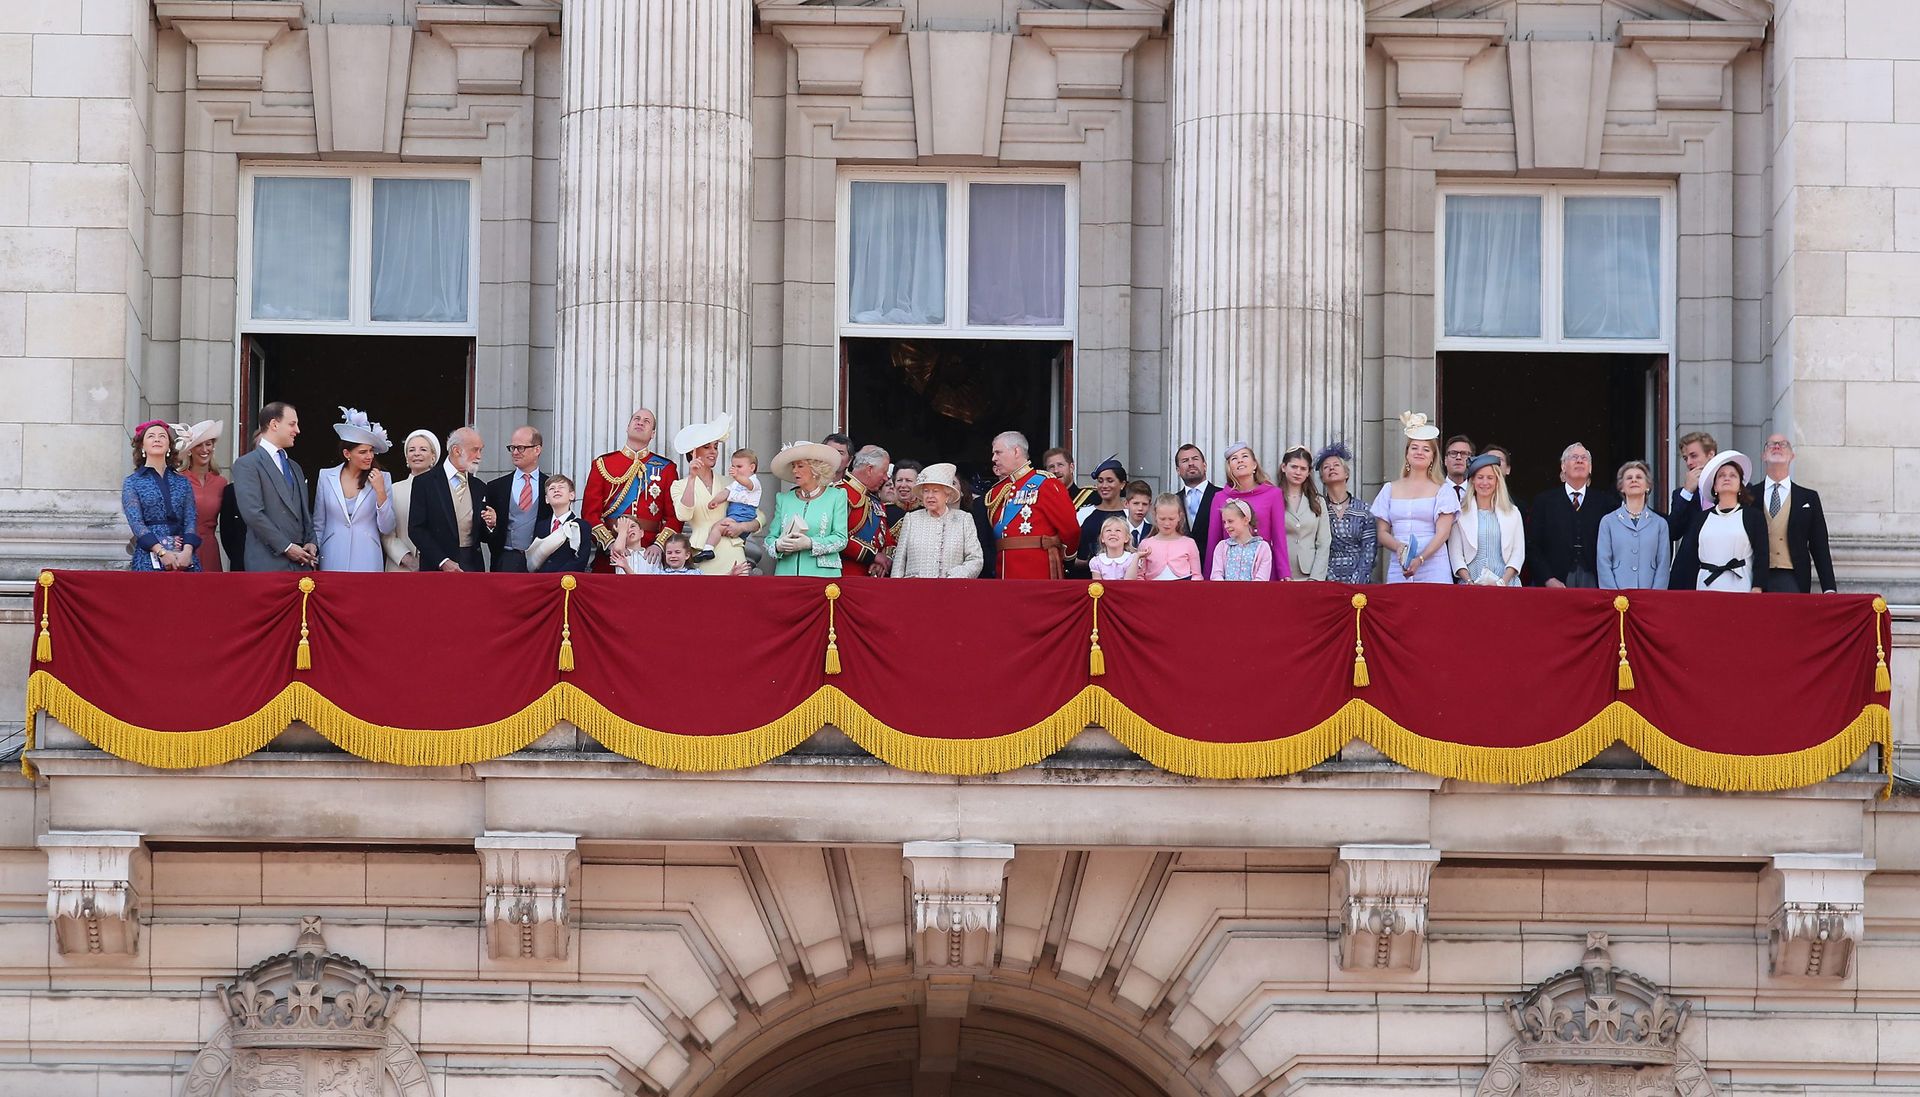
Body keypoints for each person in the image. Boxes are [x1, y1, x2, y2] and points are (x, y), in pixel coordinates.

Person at [582, 408, 680, 572]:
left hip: (650, 555)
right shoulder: (603, 464)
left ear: (653, 434)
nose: (640, 422)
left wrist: (659, 545)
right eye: (637, 419)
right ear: (627, 427)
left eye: (646, 421)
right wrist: (610, 543)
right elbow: (589, 513)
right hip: (610, 554)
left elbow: (675, 516)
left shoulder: (666, 468)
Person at [1372, 412, 1458, 585]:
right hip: (1400, 566)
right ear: (1407, 453)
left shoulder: (1443, 490)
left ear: (1433, 456)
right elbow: (1382, 532)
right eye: (1414, 448)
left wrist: (1420, 559)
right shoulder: (1390, 488)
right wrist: (1398, 547)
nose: (1419, 452)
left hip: (1434, 566)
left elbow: (1443, 533)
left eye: (1426, 449)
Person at [230, 402, 317, 572]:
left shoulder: (295, 467)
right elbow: (253, 513)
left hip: (301, 565)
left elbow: (304, 512)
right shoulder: (247, 464)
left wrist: (311, 541)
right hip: (267, 563)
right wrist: (286, 547)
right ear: (274, 424)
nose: (297, 430)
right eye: (292, 424)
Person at [670, 414, 761, 576]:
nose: (713, 452)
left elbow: (759, 517)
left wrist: (741, 527)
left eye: (715, 447)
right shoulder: (679, 485)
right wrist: (691, 478)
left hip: (733, 553)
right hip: (702, 555)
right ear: (693, 452)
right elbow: (683, 514)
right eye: (707, 447)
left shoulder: (731, 482)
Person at [985, 431, 1081, 579]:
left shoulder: (1046, 483)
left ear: (1016, 451)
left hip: (1037, 572)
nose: (994, 458)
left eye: (998, 453)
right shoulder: (997, 491)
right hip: (1003, 573)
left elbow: (1070, 529)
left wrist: (1066, 559)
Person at [314, 407, 396, 573]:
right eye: (363, 452)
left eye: (371, 451)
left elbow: (387, 527)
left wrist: (380, 492)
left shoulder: (382, 478)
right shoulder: (325, 476)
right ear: (347, 453)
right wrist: (315, 553)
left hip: (368, 557)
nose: (370, 456)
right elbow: (319, 523)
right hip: (332, 556)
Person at [1672, 450, 1767, 593]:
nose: (1727, 478)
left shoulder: (1754, 517)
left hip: (1742, 587)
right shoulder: (1701, 519)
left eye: (1733, 475)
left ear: (1740, 485)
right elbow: (1691, 557)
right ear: (1715, 486)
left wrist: (1758, 587)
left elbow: (1762, 555)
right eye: (1721, 476)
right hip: (1706, 588)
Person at [1754, 433, 1838, 593]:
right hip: (1756, 580)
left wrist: (1829, 588)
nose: (1777, 446)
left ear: (1792, 456)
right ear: (1763, 455)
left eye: (1783, 444)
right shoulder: (1750, 495)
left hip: (1794, 578)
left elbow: (1819, 545)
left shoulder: (1808, 498)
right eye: (1771, 444)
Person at [1528, 442, 1615, 588]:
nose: (1580, 461)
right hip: (1555, 581)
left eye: (1584, 458)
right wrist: (1547, 578)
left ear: (1590, 468)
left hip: (1594, 579)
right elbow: (1533, 546)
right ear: (1563, 466)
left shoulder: (1605, 503)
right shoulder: (1544, 501)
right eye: (1574, 457)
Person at [1204, 442, 1291, 580]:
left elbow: (1279, 537)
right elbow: (1213, 542)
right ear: (1229, 468)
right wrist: (1208, 578)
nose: (1240, 460)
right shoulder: (1220, 498)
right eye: (1234, 458)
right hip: (1227, 579)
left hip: (1263, 573)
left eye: (1244, 456)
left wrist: (1284, 572)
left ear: (1254, 465)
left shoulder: (1273, 494)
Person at [122, 420, 201, 572]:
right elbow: (136, 524)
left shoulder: (182, 482)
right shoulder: (132, 482)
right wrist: (162, 552)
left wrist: (187, 551)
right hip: (149, 557)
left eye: (162, 436)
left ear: (169, 446)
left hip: (183, 557)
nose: (157, 439)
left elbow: (190, 519)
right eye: (151, 436)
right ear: (142, 446)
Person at [409, 425, 490, 573]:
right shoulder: (425, 483)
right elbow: (416, 530)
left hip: (472, 568)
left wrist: (491, 524)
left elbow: (484, 535)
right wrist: (442, 561)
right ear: (456, 450)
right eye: (474, 450)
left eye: (481, 450)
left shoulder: (479, 486)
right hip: (436, 568)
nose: (479, 456)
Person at [768, 441, 849, 577]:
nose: (794, 470)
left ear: (815, 469)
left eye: (800, 466)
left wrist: (810, 543)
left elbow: (841, 539)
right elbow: (770, 538)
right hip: (786, 576)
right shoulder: (783, 499)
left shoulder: (836, 496)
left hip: (823, 577)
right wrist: (778, 545)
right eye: (793, 466)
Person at [889, 463, 983, 579]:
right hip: (914, 590)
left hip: (951, 590)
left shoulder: (963, 519)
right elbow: (899, 562)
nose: (930, 496)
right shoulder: (911, 519)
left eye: (935, 491)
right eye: (926, 491)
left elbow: (975, 559)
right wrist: (897, 590)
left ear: (947, 494)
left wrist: (958, 575)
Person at [1447, 453, 1524, 586]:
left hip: (1506, 586)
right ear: (1472, 481)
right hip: (1470, 586)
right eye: (1480, 477)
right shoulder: (1460, 512)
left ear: (1497, 481)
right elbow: (1456, 554)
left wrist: (1502, 582)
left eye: (1490, 478)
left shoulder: (1513, 512)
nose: (1485, 483)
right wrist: (1469, 582)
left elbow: (1518, 553)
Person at [482, 425, 550, 573]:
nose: (515, 452)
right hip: (505, 561)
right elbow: (483, 532)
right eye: (512, 448)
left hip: (541, 562)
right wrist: (492, 525)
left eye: (520, 448)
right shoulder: (496, 487)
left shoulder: (550, 486)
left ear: (537, 450)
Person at [1597, 460, 1671, 590]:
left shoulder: (1660, 524)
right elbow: (1603, 562)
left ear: (1647, 486)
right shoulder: (1608, 521)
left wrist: (1656, 595)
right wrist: (1613, 595)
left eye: (1639, 477)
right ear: (1621, 487)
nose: (1634, 480)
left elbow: (1663, 564)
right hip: (1617, 596)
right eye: (1629, 478)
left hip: (1649, 595)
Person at [1316, 442, 1376, 584]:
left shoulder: (1364, 510)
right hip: (1326, 579)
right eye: (1326, 467)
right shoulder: (1318, 509)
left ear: (1346, 473)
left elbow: (1369, 550)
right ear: (1322, 478)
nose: (1331, 468)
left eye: (1336, 465)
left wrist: (1357, 581)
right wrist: (1330, 580)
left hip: (1359, 582)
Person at [383, 429, 441, 572]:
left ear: (433, 457)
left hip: (437, 568)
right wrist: (408, 560)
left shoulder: (443, 490)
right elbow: (386, 534)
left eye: (423, 449)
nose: (416, 453)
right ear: (406, 457)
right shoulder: (394, 489)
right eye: (411, 450)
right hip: (401, 568)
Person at [176, 420, 231, 572]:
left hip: (210, 547)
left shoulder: (221, 482)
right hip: (183, 547)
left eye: (208, 444)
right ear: (190, 450)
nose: (204, 449)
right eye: (199, 445)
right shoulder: (178, 479)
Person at [839, 445, 893, 578]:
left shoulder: (875, 500)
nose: (886, 478)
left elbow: (887, 539)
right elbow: (837, 537)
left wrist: (884, 560)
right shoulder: (840, 492)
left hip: (870, 577)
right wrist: (872, 557)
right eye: (884, 472)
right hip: (844, 576)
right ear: (870, 469)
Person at [1280, 445, 1330, 581]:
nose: (1298, 472)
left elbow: (1324, 542)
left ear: (1308, 472)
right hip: (1281, 575)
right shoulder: (1274, 498)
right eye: (1294, 467)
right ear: (1284, 467)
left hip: (1309, 575)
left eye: (1303, 468)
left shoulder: (1318, 501)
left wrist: (1316, 578)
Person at [527, 475, 593, 573]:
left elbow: (581, 560)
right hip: (542, 581)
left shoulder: (581, 526)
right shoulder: (541, 526)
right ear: (547, 499)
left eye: (561, 487)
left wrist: (557, 576)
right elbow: (535, 559)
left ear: (572, 495)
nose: (556, 490)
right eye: (552, 488)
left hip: (567, 582)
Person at [1074, 457, 1130, 565]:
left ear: (1122, 484)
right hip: (1086, 578)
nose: (1104, 486)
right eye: (1100, 481)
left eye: (1110, 481)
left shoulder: (1131, 515)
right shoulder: (1083, 514)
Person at [1174, 444, 1221, 569]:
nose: (1190, 463)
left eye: (1195, 459)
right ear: (1178, 470)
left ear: (1205, 465)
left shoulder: (1222, 496)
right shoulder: (1173, 501)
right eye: (1185, 461)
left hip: (1215, 571)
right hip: (1181, 573)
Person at [1136, 493, 1203, 580]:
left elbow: (1197, 575)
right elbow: (1139, 575)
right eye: (1162, 519)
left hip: (1182, 591)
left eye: (1171, 519)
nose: (1167, 523)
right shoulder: (1145, 544)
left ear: (1179, 516)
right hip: (1152, 591)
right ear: (1155, 515)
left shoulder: (1189, 543)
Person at [1209, 498, 1274, 581]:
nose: (1226, 526)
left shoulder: (1262, 547)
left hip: (1253, 593)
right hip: (1225, 593)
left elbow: (1261, 579)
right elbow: (1216, 575)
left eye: (1230, 521)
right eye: (1224, 522)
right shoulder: (1222, 546)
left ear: (1246, 520)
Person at [1669, 431, 1717, 518]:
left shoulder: (1730, 485)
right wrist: (1687, 491)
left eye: (1694, 456)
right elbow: (1673, 528)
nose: (1689, 463)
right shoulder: (1680, 495)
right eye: (1685, 458)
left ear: (1711, 454)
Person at [1042, 448, 1098, 520]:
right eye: (1051, 467)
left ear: (1071, 467)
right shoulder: (1043, 502)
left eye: (1060, 465)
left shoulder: (1091, 497)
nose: (1056, 470)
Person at [1088, 515, 1140, 580]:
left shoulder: (1132, 559)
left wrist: (1137, 557)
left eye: (1118, 530)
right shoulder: (1096, 562)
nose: (1113, 533)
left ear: (1126, 538)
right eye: (1108, 530)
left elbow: (1130, 582)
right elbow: (1097, 585)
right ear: (1102, 538)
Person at [884, 460, 923, 529]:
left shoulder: (926, 511)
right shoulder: (884, 512)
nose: (903, 485)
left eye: (908, 480)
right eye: (899, 480)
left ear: (918, 484)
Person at [1442, 434, 1476, 509]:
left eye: (1464, 454)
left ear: (1472, 460)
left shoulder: (1477, 492)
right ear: (1445, 460)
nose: (1458, 457)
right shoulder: (1435, 490)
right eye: (1453, 453)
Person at [1122, 481, 1155, 548]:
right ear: (1126, 504)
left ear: (1150, 506)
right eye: (1136, 503)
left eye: (1145, 504)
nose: (1140, 508)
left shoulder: (1153, 532)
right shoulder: (1118, 530)